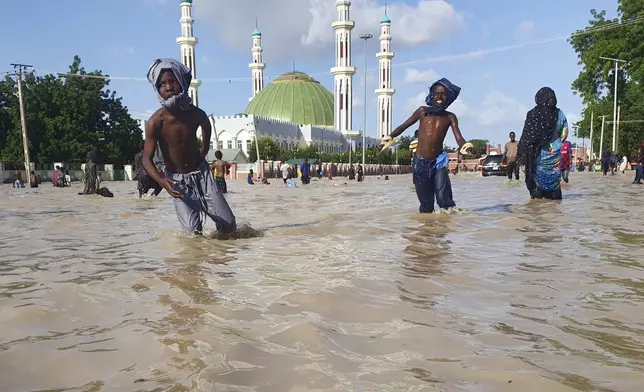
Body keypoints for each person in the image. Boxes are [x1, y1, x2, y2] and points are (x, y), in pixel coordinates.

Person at [142, 58, 236, 235]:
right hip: (176, 180)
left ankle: (222, 259)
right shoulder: (156, 122)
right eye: (162, 84)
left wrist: (203, 150)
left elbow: (206, 126)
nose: (169, 87)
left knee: (229, 225)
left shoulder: (195, 114)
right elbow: (146, 159)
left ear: (183, 82)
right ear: (157, 90)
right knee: (193, 233)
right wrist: (163, 182)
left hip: (202, 175)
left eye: (173, 81)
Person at [382, 78, 471, 213]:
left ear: (448, 97)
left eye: (443, 94)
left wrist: (465, 146)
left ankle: (446, 229)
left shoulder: (450, 117)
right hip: (420, 163)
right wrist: (390, 137)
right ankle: (427, 231)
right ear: (432, 95)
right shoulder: (422, 111)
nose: (440, 97)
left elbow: (458, 137)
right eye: (437, 93)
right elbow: (405, 125)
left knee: (444, 200)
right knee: (426, 204)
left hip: (439, 161)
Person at [517, 87, 568, 200]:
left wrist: (523, 155)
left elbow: (526, 137)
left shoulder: (532, 114)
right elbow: (565, 133)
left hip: (537, 156)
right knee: (555, 186)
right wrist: (555, 145)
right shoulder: (560, 114)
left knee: (538, 200)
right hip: (555, 157)